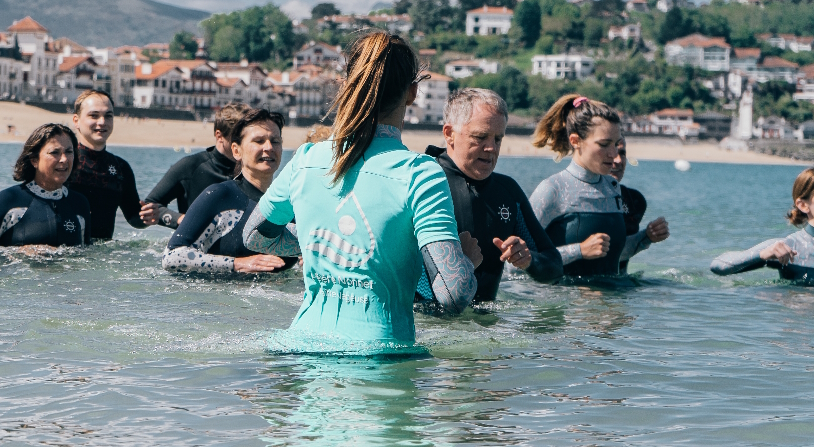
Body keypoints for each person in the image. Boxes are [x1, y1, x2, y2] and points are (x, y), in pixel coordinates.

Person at [242, 31, 476, 350]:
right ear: (412, 92)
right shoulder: (421, 173)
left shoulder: (308, 158)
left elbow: (256, 236)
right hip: (379, 362)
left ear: (349, 85)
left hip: (298, 348)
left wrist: (320, 241)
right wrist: (465, 261)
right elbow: (454, 294)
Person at [423, 88, 562, 301]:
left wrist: (528, 261)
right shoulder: (423, 182)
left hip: (486, 326)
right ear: (449, 134)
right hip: (427, 326)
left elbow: (553, 267)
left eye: (498, 139)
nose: (491, 148)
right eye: (480, 137)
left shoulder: (507, 191)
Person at [163, 108, 297, 275]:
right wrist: (237, 264)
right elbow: (172, 256)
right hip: (218, 298)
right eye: (259, 141)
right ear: (236, 151)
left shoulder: (291, 204)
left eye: (275, 141)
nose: (269, 147)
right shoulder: (220, 195)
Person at [528, 94, 629, 278]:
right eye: (604, 144)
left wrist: (646, 238)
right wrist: (579, 250)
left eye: (616, 144)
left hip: (612, 303)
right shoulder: (552, 189)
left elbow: (614, 254)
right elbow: (518, 260)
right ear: (575, 141)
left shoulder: (613, 187)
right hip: (566, 303)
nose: (614, 155)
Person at [141, 103, 250, 228]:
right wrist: (179, 219)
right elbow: (151, 204)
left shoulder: (251, 171)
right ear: (219, 136)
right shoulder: (190, 166)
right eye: (239, 138)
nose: (245, 144)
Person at [0, 123, 91, 249]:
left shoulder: (79, 204)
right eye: (55, 152)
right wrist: (20, 254)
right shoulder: (9, 200)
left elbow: (86, 257)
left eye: (69, 152)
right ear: (34, 160)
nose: (64, 159)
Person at [65, 90, 146, 240]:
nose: (102, 122)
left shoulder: (121, 168)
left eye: (108, 116)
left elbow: (134, 216)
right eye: (94, 115)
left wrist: (149, 216)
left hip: (102, 257)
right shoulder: (63, 162)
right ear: (76, 120)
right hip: (63, 254)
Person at [610, 137, 669, 273]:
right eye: (612, 152)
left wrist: (650, 235)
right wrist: (645, 237)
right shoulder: (580, 198)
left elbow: (616, 253)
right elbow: (599, 254)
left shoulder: (634, 200)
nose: (618, 160)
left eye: (622, 153)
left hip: (621, 284)